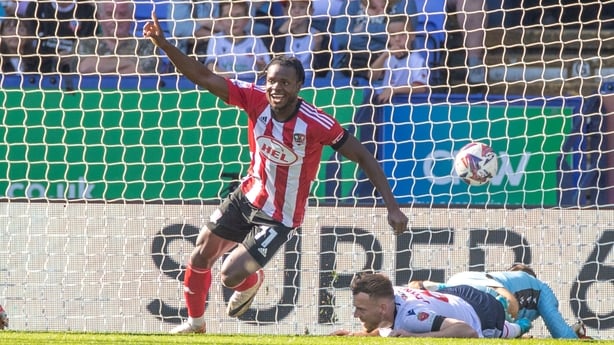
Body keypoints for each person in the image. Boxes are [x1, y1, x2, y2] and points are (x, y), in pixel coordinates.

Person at [143, 13, 409, 334]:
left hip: (279, 215)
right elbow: (202, 76)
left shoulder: (317, 123)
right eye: (271, 81)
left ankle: (251, 278)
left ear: (298, 85)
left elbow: (364, 156)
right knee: (201, 253)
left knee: (230, 274)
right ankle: (196, 324)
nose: (276, 87)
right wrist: (163, 44)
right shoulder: (253, 99)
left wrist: (392, 206)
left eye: (284, 82)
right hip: (247, 195)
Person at [353, 14, 428, 198]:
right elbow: (372, 76)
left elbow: (422, 87)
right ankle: (370, 192)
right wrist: (386, 53)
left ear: (411, 36)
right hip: (383, 114)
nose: (397, 39)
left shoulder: (417, 59)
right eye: (393, 35)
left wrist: (394, 90)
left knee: (398, 157)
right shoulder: (389, 58)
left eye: (402, 34)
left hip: (405, 115)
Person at [332, 272, 529, 338]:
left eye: (361, 309)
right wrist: (354, 334)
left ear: (383, 307)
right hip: (453, 294)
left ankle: (520, 326)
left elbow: (467, 331)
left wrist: (415, 336)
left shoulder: (413, 319)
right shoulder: (389, 293)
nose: (356, 315)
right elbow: (385, 326)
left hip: (483, 313)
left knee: (510, 330)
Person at [410, 264, 580, 339]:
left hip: (457, 284)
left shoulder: (495, 276)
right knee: (565, 336)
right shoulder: (541, 288)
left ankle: (428, 286)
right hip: (484, 294)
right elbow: (510, 301)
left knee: (444, 293)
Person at [75, 0, 159, 75]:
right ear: (99, 17)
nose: (116, 20)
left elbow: (144, 73)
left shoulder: (146, 45)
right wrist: (129, 64)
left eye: (122, 14)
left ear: (131, 16)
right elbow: (83, 67)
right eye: (109, 14)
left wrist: (99, 68)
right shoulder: (84, 44)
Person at [17, 0, 96, 73]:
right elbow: (28, 42)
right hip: (40, 69)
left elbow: (90, 45)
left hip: (74, 72)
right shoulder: (36, 6)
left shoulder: (88, 11)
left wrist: (74, 55)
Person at [203, 1, 271, 82]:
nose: (233, 21)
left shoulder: (255, 41)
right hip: (224, 85)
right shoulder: (216, 39)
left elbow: (266, 68)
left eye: (238, 16)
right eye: (227, 16)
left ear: (246, 19)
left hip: (250, 86)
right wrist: (227, 76)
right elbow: (210, 65)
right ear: (220, 20)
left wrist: (262, 67)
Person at [333, 0, 402, 79]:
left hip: (390, 61)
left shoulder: (403, 2)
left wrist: (363, 28)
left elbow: (404, 34)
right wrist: (387, 31)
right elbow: (343, 38)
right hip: (353, 62)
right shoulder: (351, 3)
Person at [272, 0, 330, 83]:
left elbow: (322, 72)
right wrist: (280, 34)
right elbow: (272, 62)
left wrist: (318, 48)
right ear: (285, 11)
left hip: (310, 82)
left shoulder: (320, 36)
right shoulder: (274, 34)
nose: (296, 11)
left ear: (310, 11)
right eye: (292, 7)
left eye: (302, 7)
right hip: (283, 81)